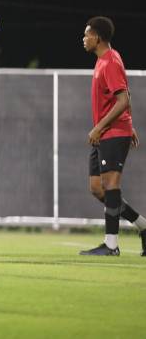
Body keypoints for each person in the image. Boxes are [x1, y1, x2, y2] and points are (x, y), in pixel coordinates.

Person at [80, 16, 146, 256]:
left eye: (87, 34)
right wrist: (129, 123)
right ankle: (143, 226)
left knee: (111, 185)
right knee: (98, 189)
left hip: (111, 133)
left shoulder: (110, 62)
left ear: (97, 37)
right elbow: (124, 94)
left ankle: (111, 245)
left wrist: (102, 127)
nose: (84, 38)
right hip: (108, 132)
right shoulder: (103, 60)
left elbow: (123, 99)